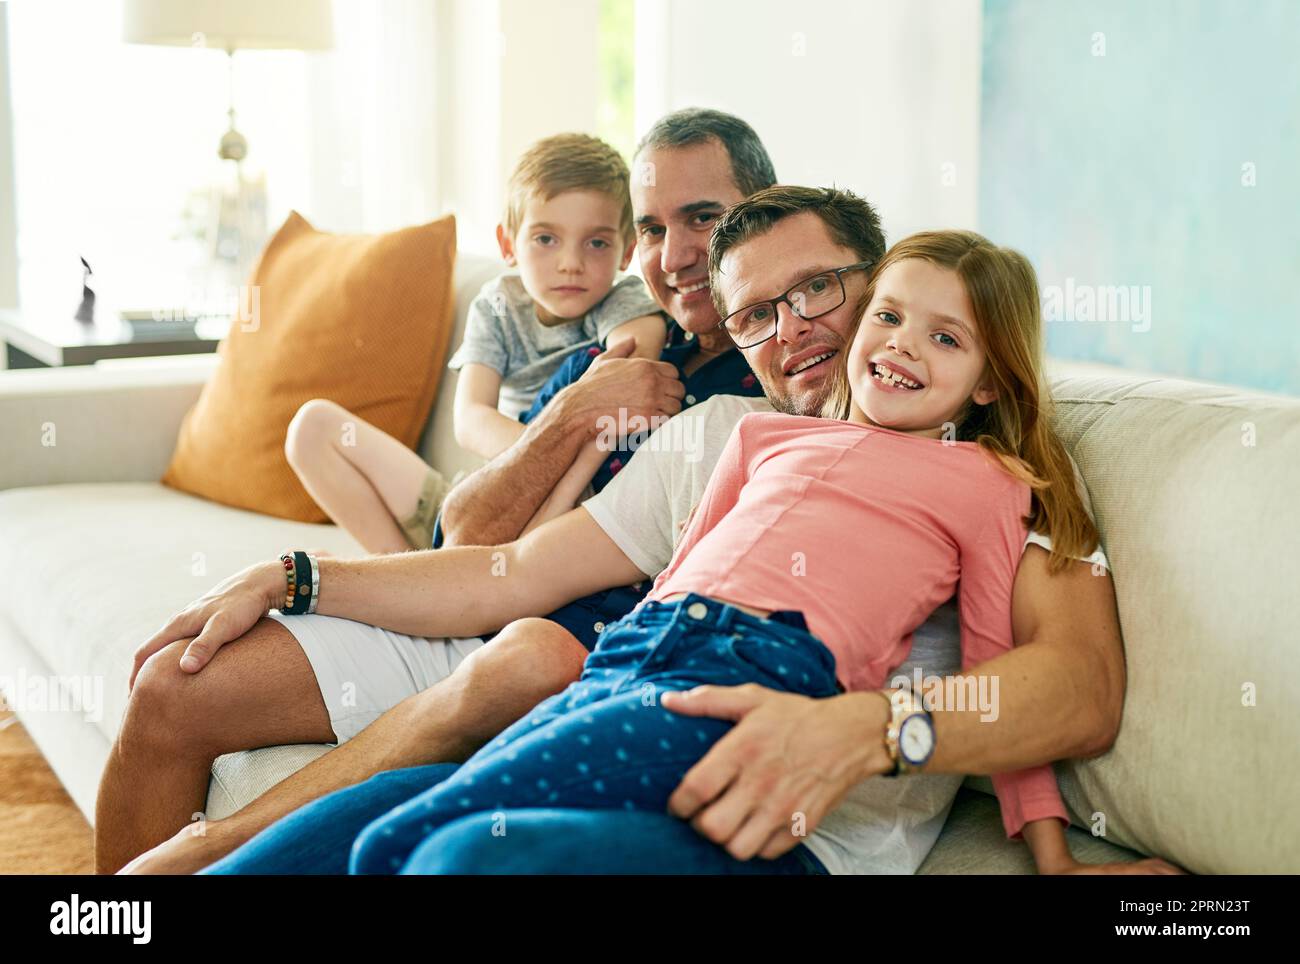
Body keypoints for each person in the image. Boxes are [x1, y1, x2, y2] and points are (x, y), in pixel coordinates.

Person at [132, 187, 1140, 876]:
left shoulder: (996, 476)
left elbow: (1075, 687)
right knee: (273, 862)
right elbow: (503, 572)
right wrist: (296, 573)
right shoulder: (734, 436)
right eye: (753, 315)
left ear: (869, 277)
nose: (792, 329)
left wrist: (870, 726)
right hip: (628, 694)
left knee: (450, 856)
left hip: (790, 830)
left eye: (817, 290)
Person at [101, 108, 775, 874]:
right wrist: (573, 409)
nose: (676, 254)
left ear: (763, 211)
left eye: (704, 218)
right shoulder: (610, 347)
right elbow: (465, 536)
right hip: (464, 609)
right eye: (653, 229)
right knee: (169, 689)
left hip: (564, 654)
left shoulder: (786, 385)